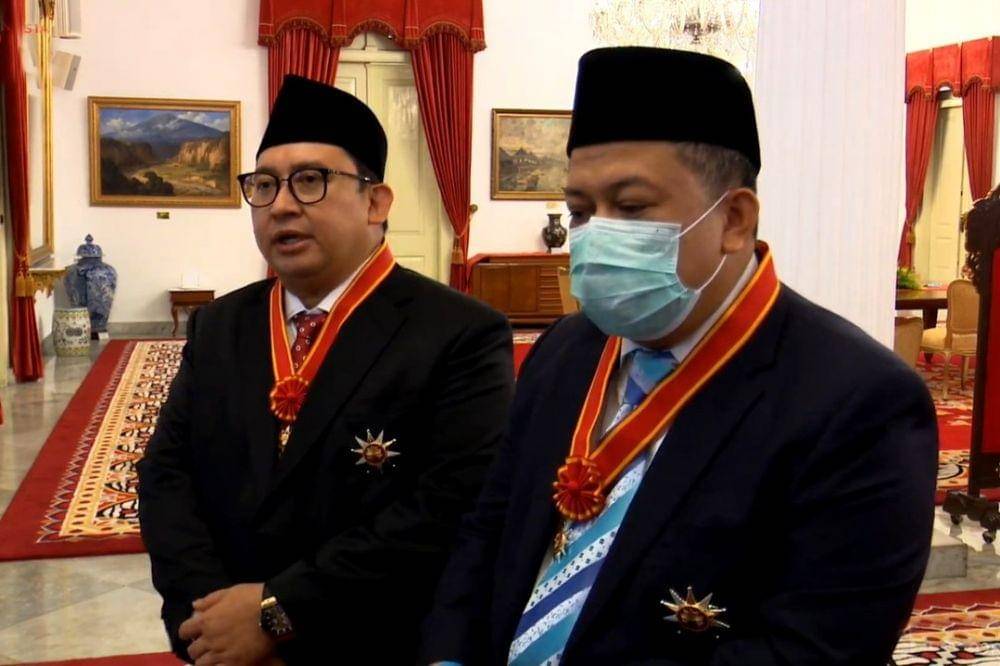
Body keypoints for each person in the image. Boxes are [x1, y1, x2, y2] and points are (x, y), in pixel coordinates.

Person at [420, 47, 938, 665]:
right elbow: (489, 529)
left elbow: (815, 648)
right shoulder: (566, 349)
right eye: (581, 211)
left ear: (734, 220)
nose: (596, 235)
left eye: (632, 207)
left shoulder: (857, 400)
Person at [138, 74, 514, 665]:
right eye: (264, 185)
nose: (281, 205)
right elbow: (166, 475)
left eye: (310, 180)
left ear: (376, 202)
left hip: (367, 644)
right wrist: (206, 622)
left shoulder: (459, 334)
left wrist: (275, 616)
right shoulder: (220, 326)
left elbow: (444, 510)